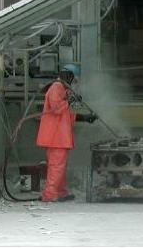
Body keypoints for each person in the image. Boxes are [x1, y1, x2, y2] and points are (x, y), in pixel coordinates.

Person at [36, 64, 97, 202]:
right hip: (55, 137)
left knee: (60, 166)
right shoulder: (56, 88)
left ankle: (61, 192)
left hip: (60, 137)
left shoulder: (62, 89)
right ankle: (50, 195)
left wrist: (85, 118)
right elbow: (57, 109)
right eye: (74, 80)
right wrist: (70, 100)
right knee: (56, 167)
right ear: (69, 76)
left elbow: (67, 115)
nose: (74, 84)